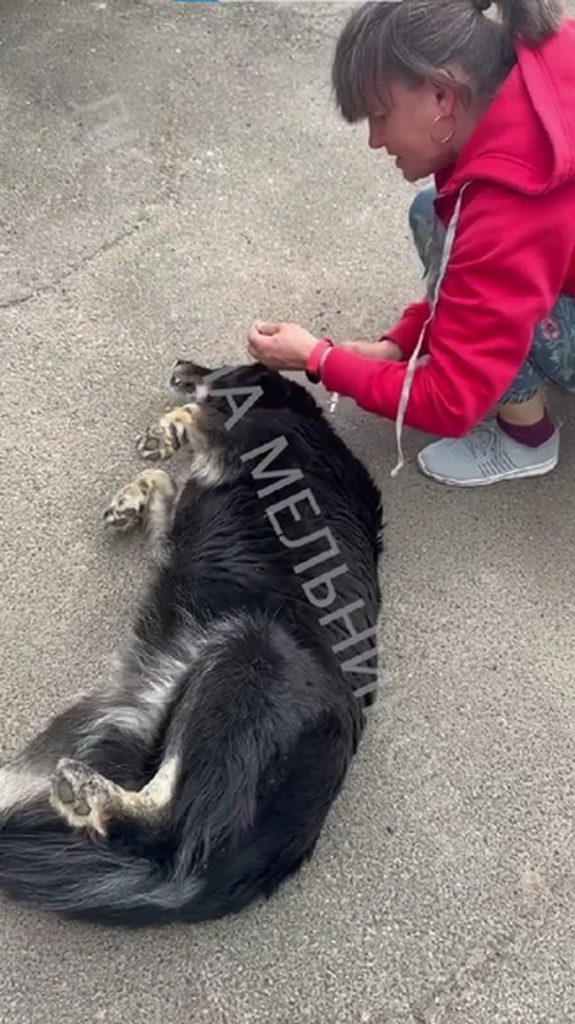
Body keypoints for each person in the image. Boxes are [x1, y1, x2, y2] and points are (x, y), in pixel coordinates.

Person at [247, 0, 575, 486]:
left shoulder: (514, 201)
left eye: (381, 116)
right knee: (431, 210)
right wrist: (401, 344)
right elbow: (478, 275)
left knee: (452, 233)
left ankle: (527, 438)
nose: (375, 140)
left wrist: (319, 359)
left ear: (441, 96)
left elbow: (449, 400)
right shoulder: (547, 58)